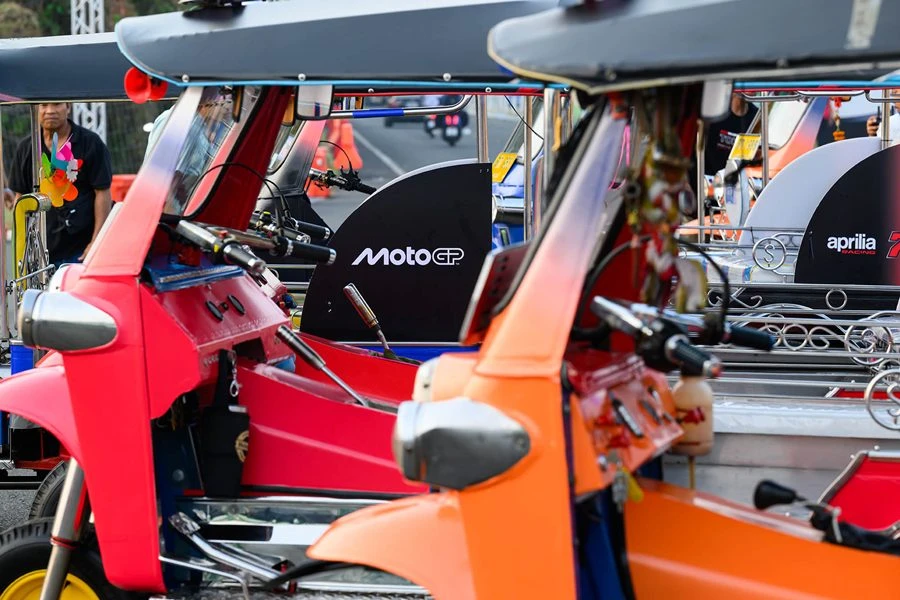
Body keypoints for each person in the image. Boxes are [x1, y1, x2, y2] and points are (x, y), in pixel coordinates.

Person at [8, 103, 112, 266]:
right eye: (44, 106)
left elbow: (103, 192)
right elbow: (20, 200)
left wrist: (96, 242)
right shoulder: (26, 148)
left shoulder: (90, 143)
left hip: (81, 252)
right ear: (36, 109)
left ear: (68, 107)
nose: (50, 111)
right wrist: (23, 250)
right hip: (41, 253)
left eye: (56, 105)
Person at [703, 93, 760, 176]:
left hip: (735, 176)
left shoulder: (756, 116)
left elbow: (753, 153)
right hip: (708, 175)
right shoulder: (717, 111)